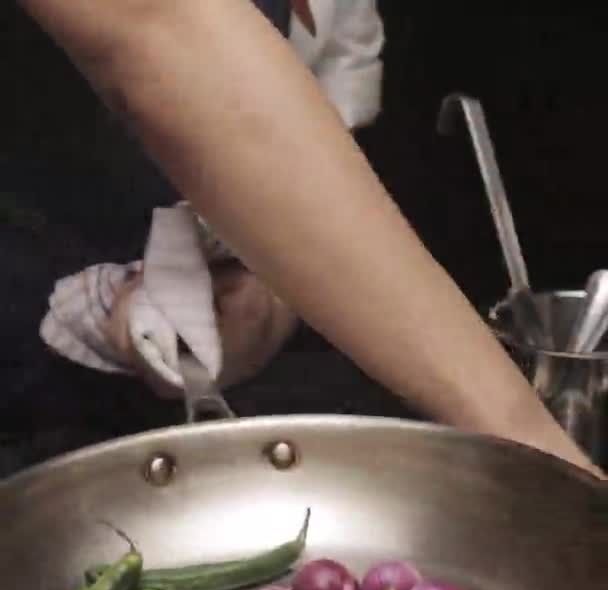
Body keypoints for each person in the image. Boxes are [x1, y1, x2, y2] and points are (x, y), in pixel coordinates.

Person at [17, 0, 600, 475]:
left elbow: (307, 130)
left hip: (216, 398)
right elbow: (155, 23)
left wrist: (276, 292)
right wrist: (532, 444)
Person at [39, 0, 387, 399]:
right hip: (25, 358)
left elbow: (337, 88)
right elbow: (139, 29)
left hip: (258, 361)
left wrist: (278, 294)